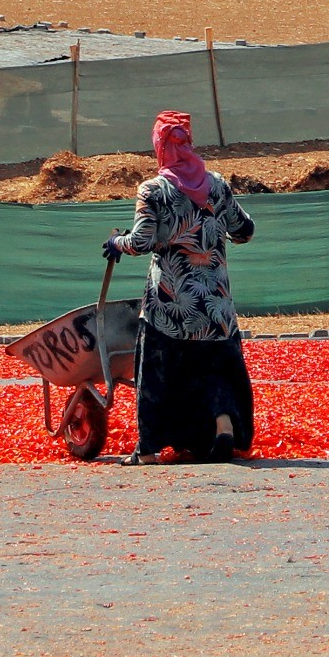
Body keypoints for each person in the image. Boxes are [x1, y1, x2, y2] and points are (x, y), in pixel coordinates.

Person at [104, 110, 256, 465]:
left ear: (159, 147)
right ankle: (223, 433)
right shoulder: (216, 184)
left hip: (170, 306)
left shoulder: (154, 190)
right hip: (216, 305)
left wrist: (116, 243)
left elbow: (141, 241)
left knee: (157, 374)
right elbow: (245, 230)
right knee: (216, 371)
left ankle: (149, 450)